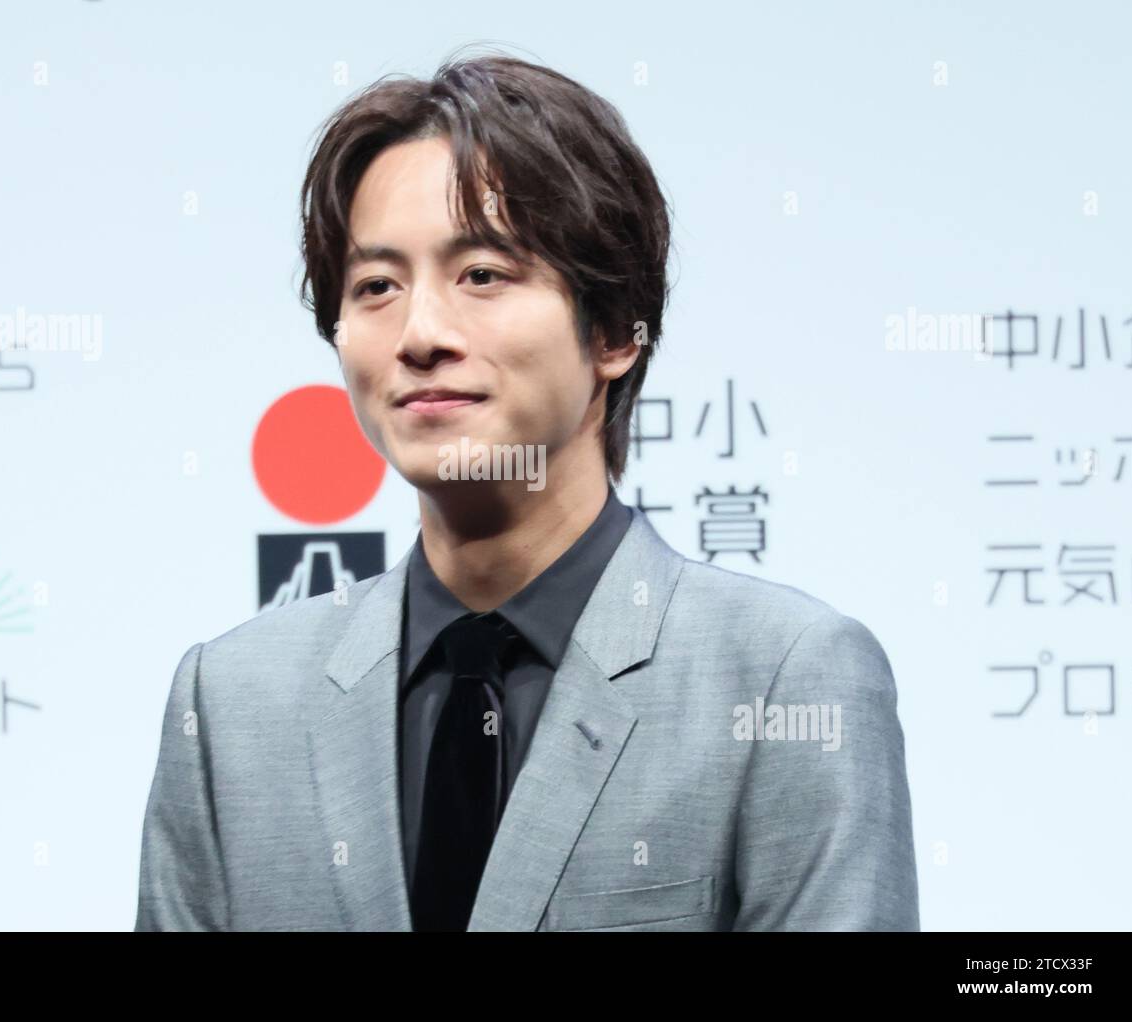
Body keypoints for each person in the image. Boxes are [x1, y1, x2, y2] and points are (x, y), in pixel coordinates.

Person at [135, 47, 919, 932]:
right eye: (377, 286)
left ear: (618, 327)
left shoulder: (784, 677)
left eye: (483, 275)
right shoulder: (233, 701)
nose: (421, 333)